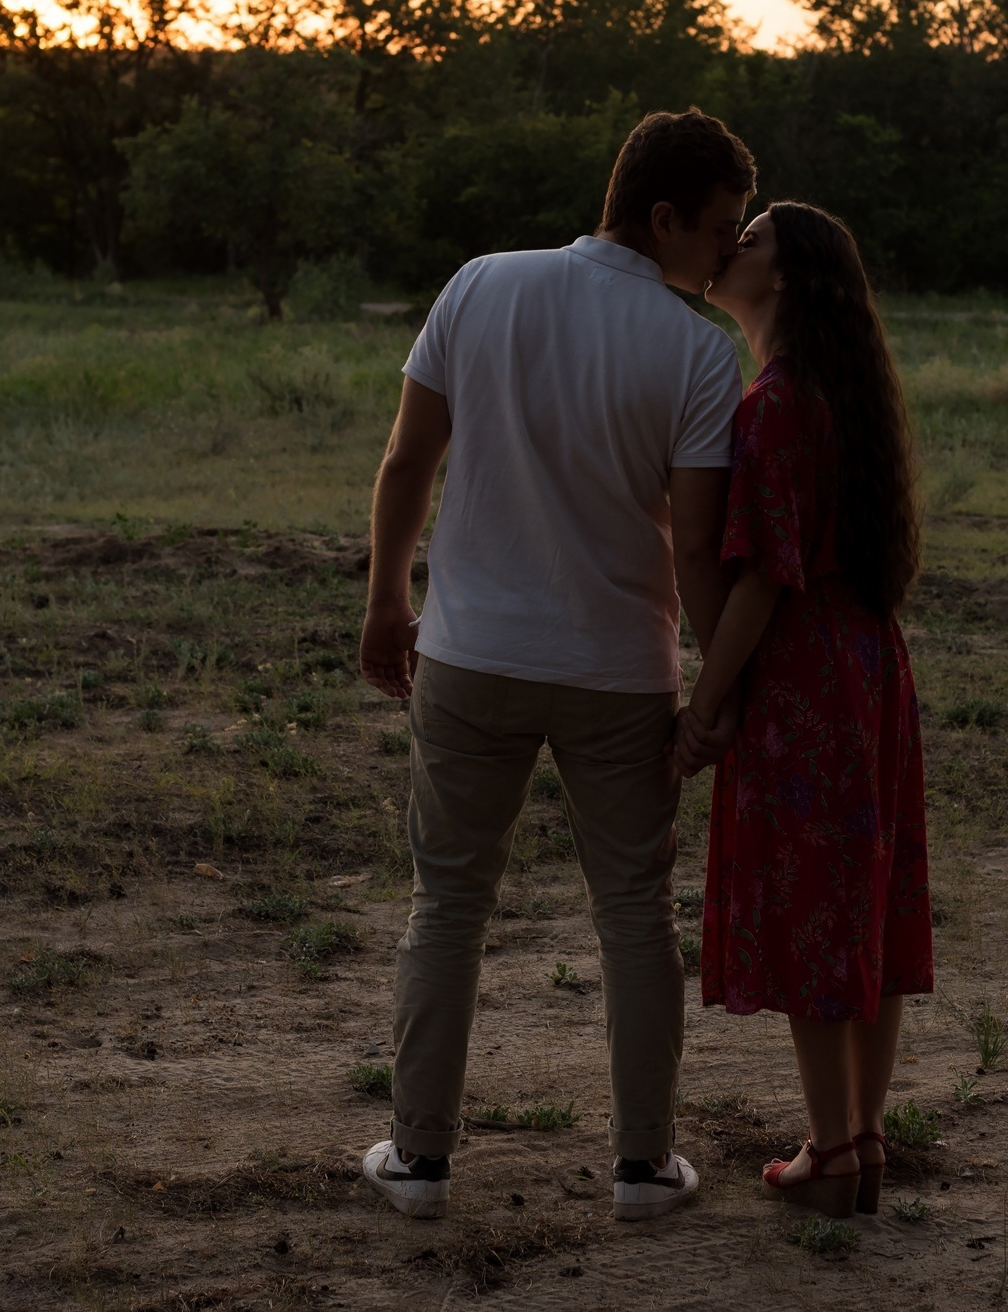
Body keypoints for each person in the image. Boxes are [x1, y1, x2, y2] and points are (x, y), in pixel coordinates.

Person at [357, 109, 757, 1223]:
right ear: (663, 216)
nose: (727, 254)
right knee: (635, 912)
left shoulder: (482, 284)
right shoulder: (693, 351)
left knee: (448, 906)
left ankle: (421, 1163)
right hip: (619, 671)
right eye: (720, 230)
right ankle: (642, 1169)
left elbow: (407, 462)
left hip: (471, 653)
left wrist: (390, 599)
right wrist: (715, 680)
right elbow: (691, 542)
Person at [675, 201, 933, 1220]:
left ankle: (829, 1152)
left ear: (784, 279)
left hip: (805, 682)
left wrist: (706, 708)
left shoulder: (776, 404)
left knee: (817, 906)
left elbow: (761, 581)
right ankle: (862, 1136)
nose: (729, 246)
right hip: (869, 667)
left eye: (751, 239)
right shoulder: (840, 397)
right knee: (866, 894)